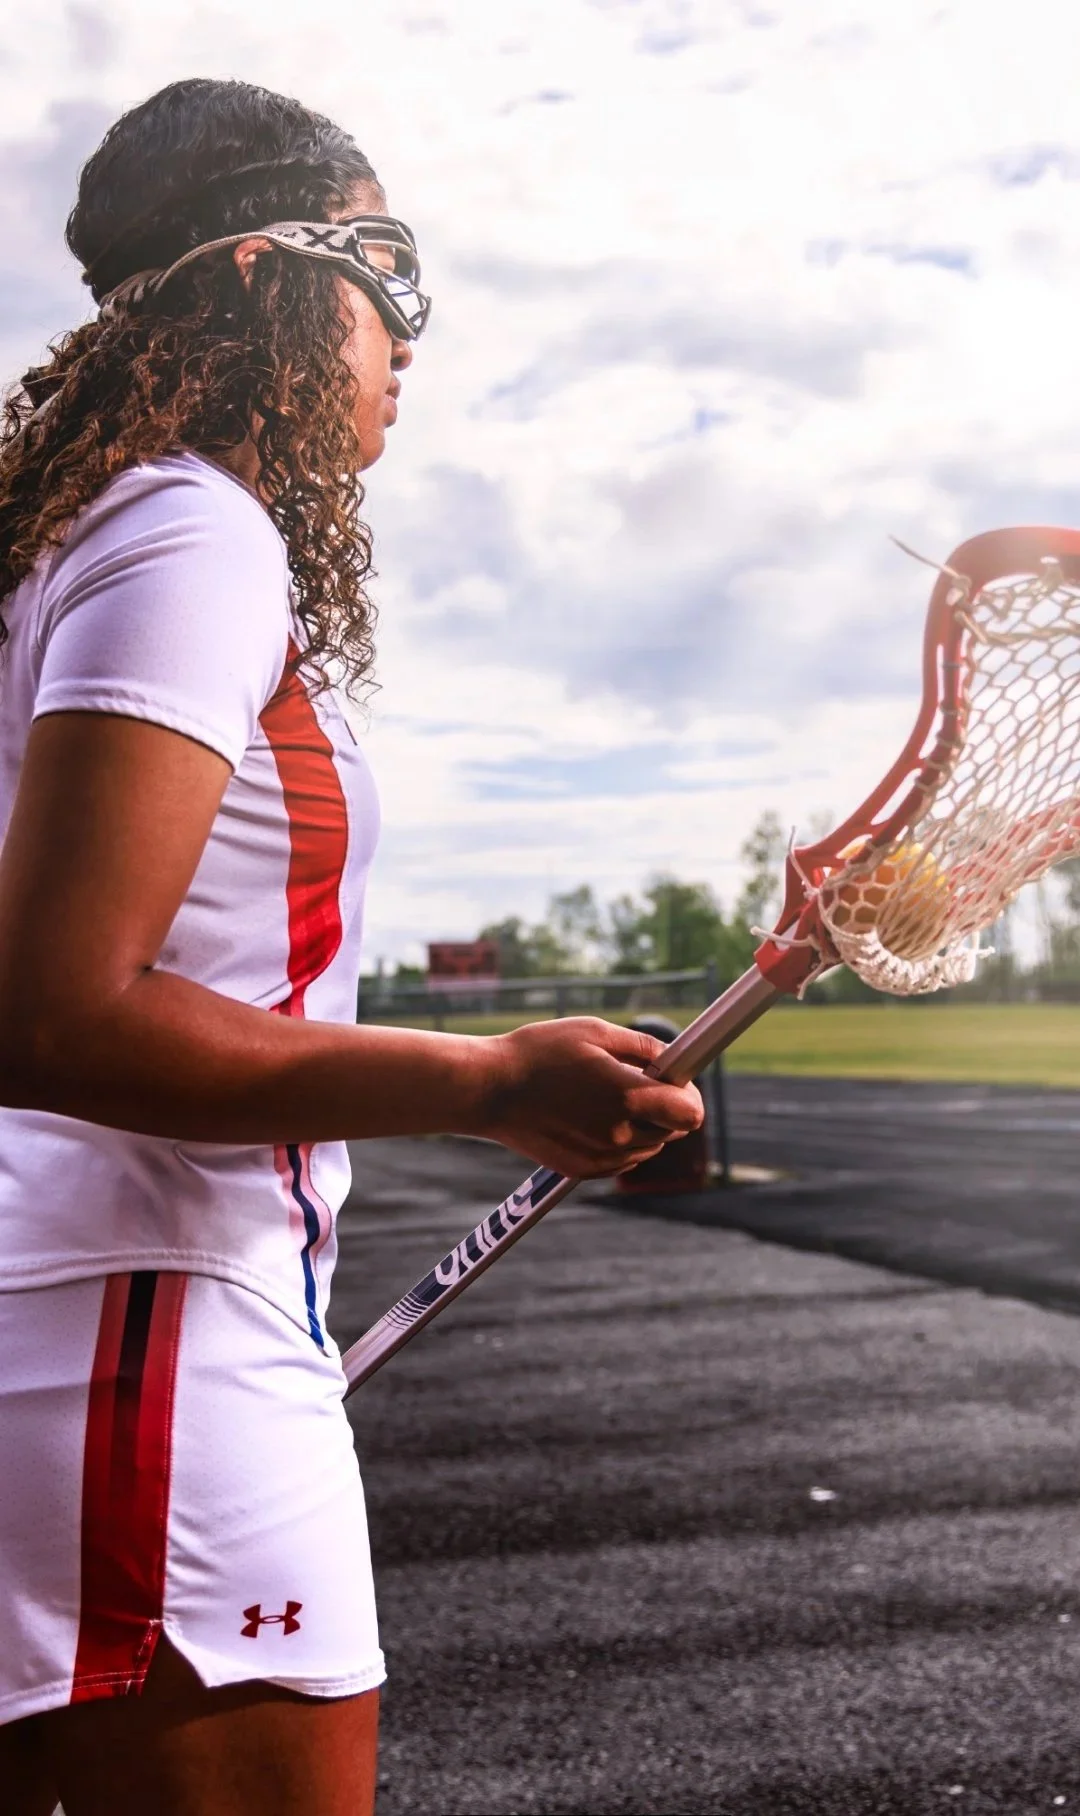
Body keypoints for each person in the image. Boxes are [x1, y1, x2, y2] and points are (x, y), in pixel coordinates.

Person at [0, 77, 703, 1816]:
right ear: (266, 274)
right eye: (384, 270)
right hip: (143, 1324)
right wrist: (482, 1080)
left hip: (100, 1321)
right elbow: (54, 1008)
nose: (407, 334)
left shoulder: (70, 538)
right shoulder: (190, 528)